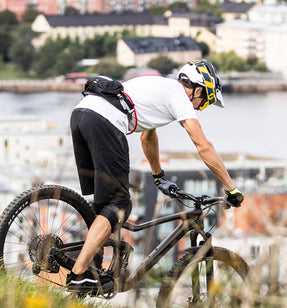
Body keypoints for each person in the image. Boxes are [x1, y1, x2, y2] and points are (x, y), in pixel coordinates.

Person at [67, 59, 244, 293]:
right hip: (105, 120)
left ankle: (90, 268)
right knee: (118, 204)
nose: (199, 108)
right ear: (198, 90)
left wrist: (158, 175)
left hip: (82, 114)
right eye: (204, 102)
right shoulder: (180, 98)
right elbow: (203, 146)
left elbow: (147, 137)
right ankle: (78, 275)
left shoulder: (160, 87)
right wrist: (231, 189)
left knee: (104, 208)